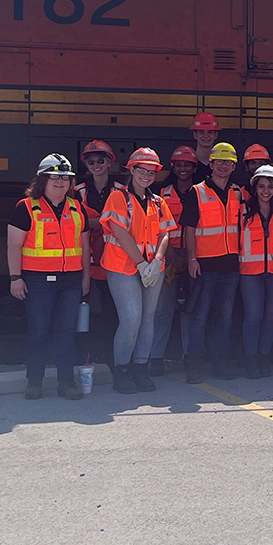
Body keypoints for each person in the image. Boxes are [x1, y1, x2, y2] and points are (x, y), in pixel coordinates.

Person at [7, 154, 90, 400]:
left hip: (71, 281)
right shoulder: (26, 207)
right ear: (42, 180)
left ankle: (67, 382)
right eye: (54, 177)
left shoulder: (77, 208)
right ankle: (35, 382)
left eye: (65, 178)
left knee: (66, 332)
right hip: (37, 281)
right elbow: (13, 245)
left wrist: (86, 278)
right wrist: (15, 277)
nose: (60, 182)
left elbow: (85, 247)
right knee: (38, 331)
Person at [100, 148, 176, 394]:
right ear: (131, 170)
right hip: (123, 266)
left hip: (153, 267)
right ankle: (122, 370)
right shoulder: (118, 197)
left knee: (147, 318)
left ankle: (141, 368)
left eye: (151, 172)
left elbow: (165, 233)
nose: (146, 175)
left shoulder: (158, 202)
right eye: (142, 170)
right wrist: (142, 264)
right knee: (131, 318)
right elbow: (119, 232)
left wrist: (157, 260)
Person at [181, 141, 242, 383]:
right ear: (211, 164)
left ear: (234, 166)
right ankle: (194, 362)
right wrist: (192, 258)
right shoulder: (197, 192)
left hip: (230, 266)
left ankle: (220, 361)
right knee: (200, 316)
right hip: (204, 265)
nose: (224, 166)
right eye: (219, 162)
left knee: (225, 317)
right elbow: (189, 228)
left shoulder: (238, 193)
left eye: (228, 162)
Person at [238, 164, 273, 378]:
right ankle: (251, 359)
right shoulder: (243, 211)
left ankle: (264, 357)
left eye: (270, 187)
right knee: (253, 316)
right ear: (255, 188)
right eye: (261, 186)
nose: (265, 191)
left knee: (270, 316)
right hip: (250, 272)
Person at [151, 145, 198, 375]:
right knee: (163, 310)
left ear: (194, 167)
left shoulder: (201, 192)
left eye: (187, 164)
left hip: (192, 259)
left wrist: (189, 258)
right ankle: (155, 358)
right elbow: (159, 229)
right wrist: (173, 257)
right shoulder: (162, 194)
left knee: (191, 310)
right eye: (179, 165)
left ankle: (190, 357)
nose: (183, 168)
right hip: (169, 259)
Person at [75, 139, 123, 320]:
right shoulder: (77, 191)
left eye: (100, 161)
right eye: (91, 162)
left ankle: (107, 336)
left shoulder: (122, 191)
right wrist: (104, 223)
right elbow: (72, 222)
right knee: (79, 301)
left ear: (109, 162)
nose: (96, 165)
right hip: (83, 255)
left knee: (110, 304)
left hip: (112, 256)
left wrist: (92, 222)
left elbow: (126, 222)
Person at [188, 112, 221, 182]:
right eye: (201, 132)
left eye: (210, 132)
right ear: (195, 135)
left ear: (216, 135)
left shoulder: (221, 165)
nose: (206, 136)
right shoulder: (187, 163)